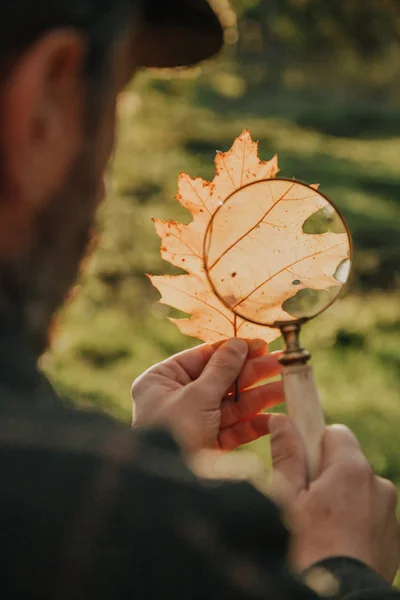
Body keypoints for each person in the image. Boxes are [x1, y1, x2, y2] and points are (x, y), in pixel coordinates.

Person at [0, 1, 398, 598]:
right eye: (119, 99)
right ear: (46, 105)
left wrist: (142, 461)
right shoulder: (141, 536)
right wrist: (345, 569)